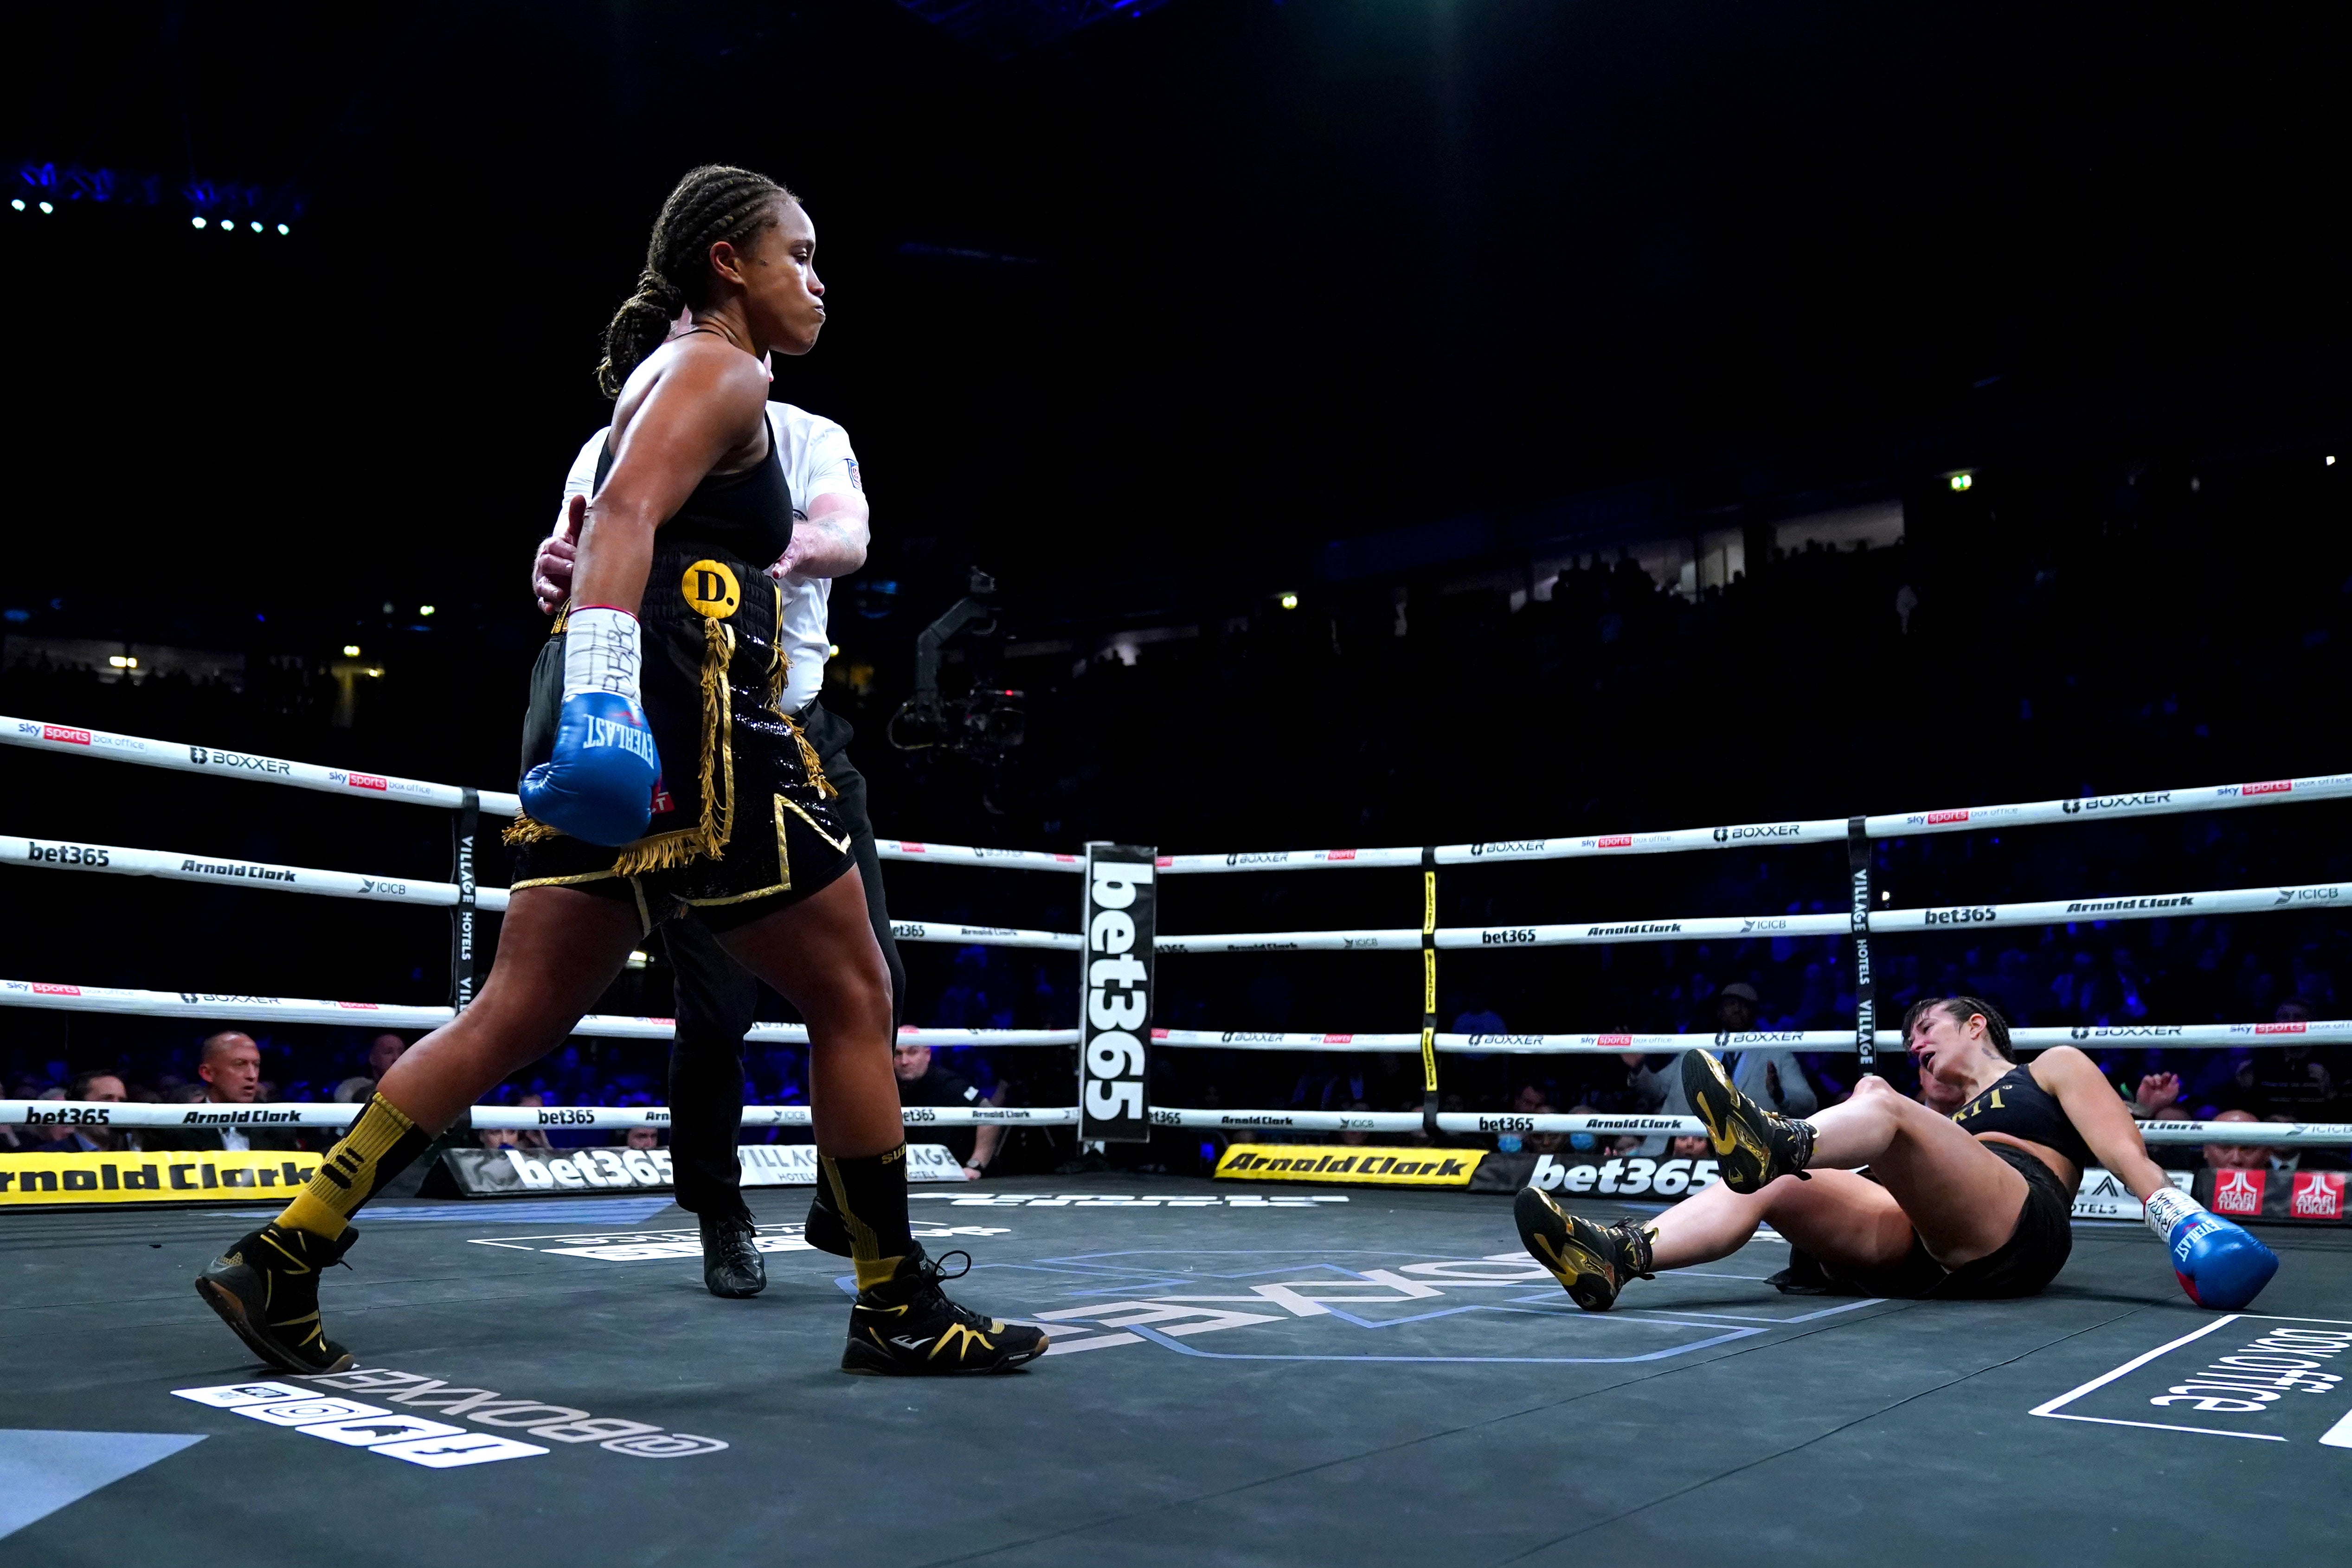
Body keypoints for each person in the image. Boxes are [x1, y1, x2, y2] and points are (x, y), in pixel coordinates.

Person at [194, 164, 1042, 1379]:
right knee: (855, 998)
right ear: (725, 263)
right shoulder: (719, 364)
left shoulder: (669, 380)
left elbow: (597, 532)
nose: (817, 278)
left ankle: (285, 1251)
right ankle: (895, 1302)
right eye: (796, 253)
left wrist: (587, 666)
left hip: (615, 711)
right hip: (682, 715)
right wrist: (605, 689)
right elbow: (628, 517)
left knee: (516, 1013)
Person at [531, 330, 900, 1299]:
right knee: (716, 1004)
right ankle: (721, 1210)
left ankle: (847, 1198)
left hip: (802, 725)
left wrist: (758, 543)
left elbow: (847, 535)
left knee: (874, 984)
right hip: (689, 726)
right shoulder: (618, 437)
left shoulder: (807, 435)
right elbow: (579, 545)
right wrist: (555, 568)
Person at [1517, 996, 2279, 1313]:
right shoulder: (1937, 1115)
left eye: (1929, 1031)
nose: (1917, 1043)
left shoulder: (2050, 1069)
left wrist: (2191, 1228)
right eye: (1911, 1039)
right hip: (1926, 1243)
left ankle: (1777, 1138)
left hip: (2020, 1221)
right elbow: (1890, 1168)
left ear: (1977, 1025)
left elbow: (2125, 1154)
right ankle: (1616, 1256)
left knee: (1878, 1102)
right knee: (1777, 1186)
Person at [155, 1033, 306, 1152]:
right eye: (240, 1064)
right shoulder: (176, 1131)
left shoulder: (278, 1129)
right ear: (208, 1073)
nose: (252, 1075)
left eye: (256, 1065)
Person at [892, 1041, 1007, 1179]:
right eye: (898, 1054)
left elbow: (990, 1115)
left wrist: (975, 1165)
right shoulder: (885, 1087)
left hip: (960, 1178)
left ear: (927, 1055)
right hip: (911, 1177)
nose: (904, 1061)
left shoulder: (949, 1084)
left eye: (912, 1052)